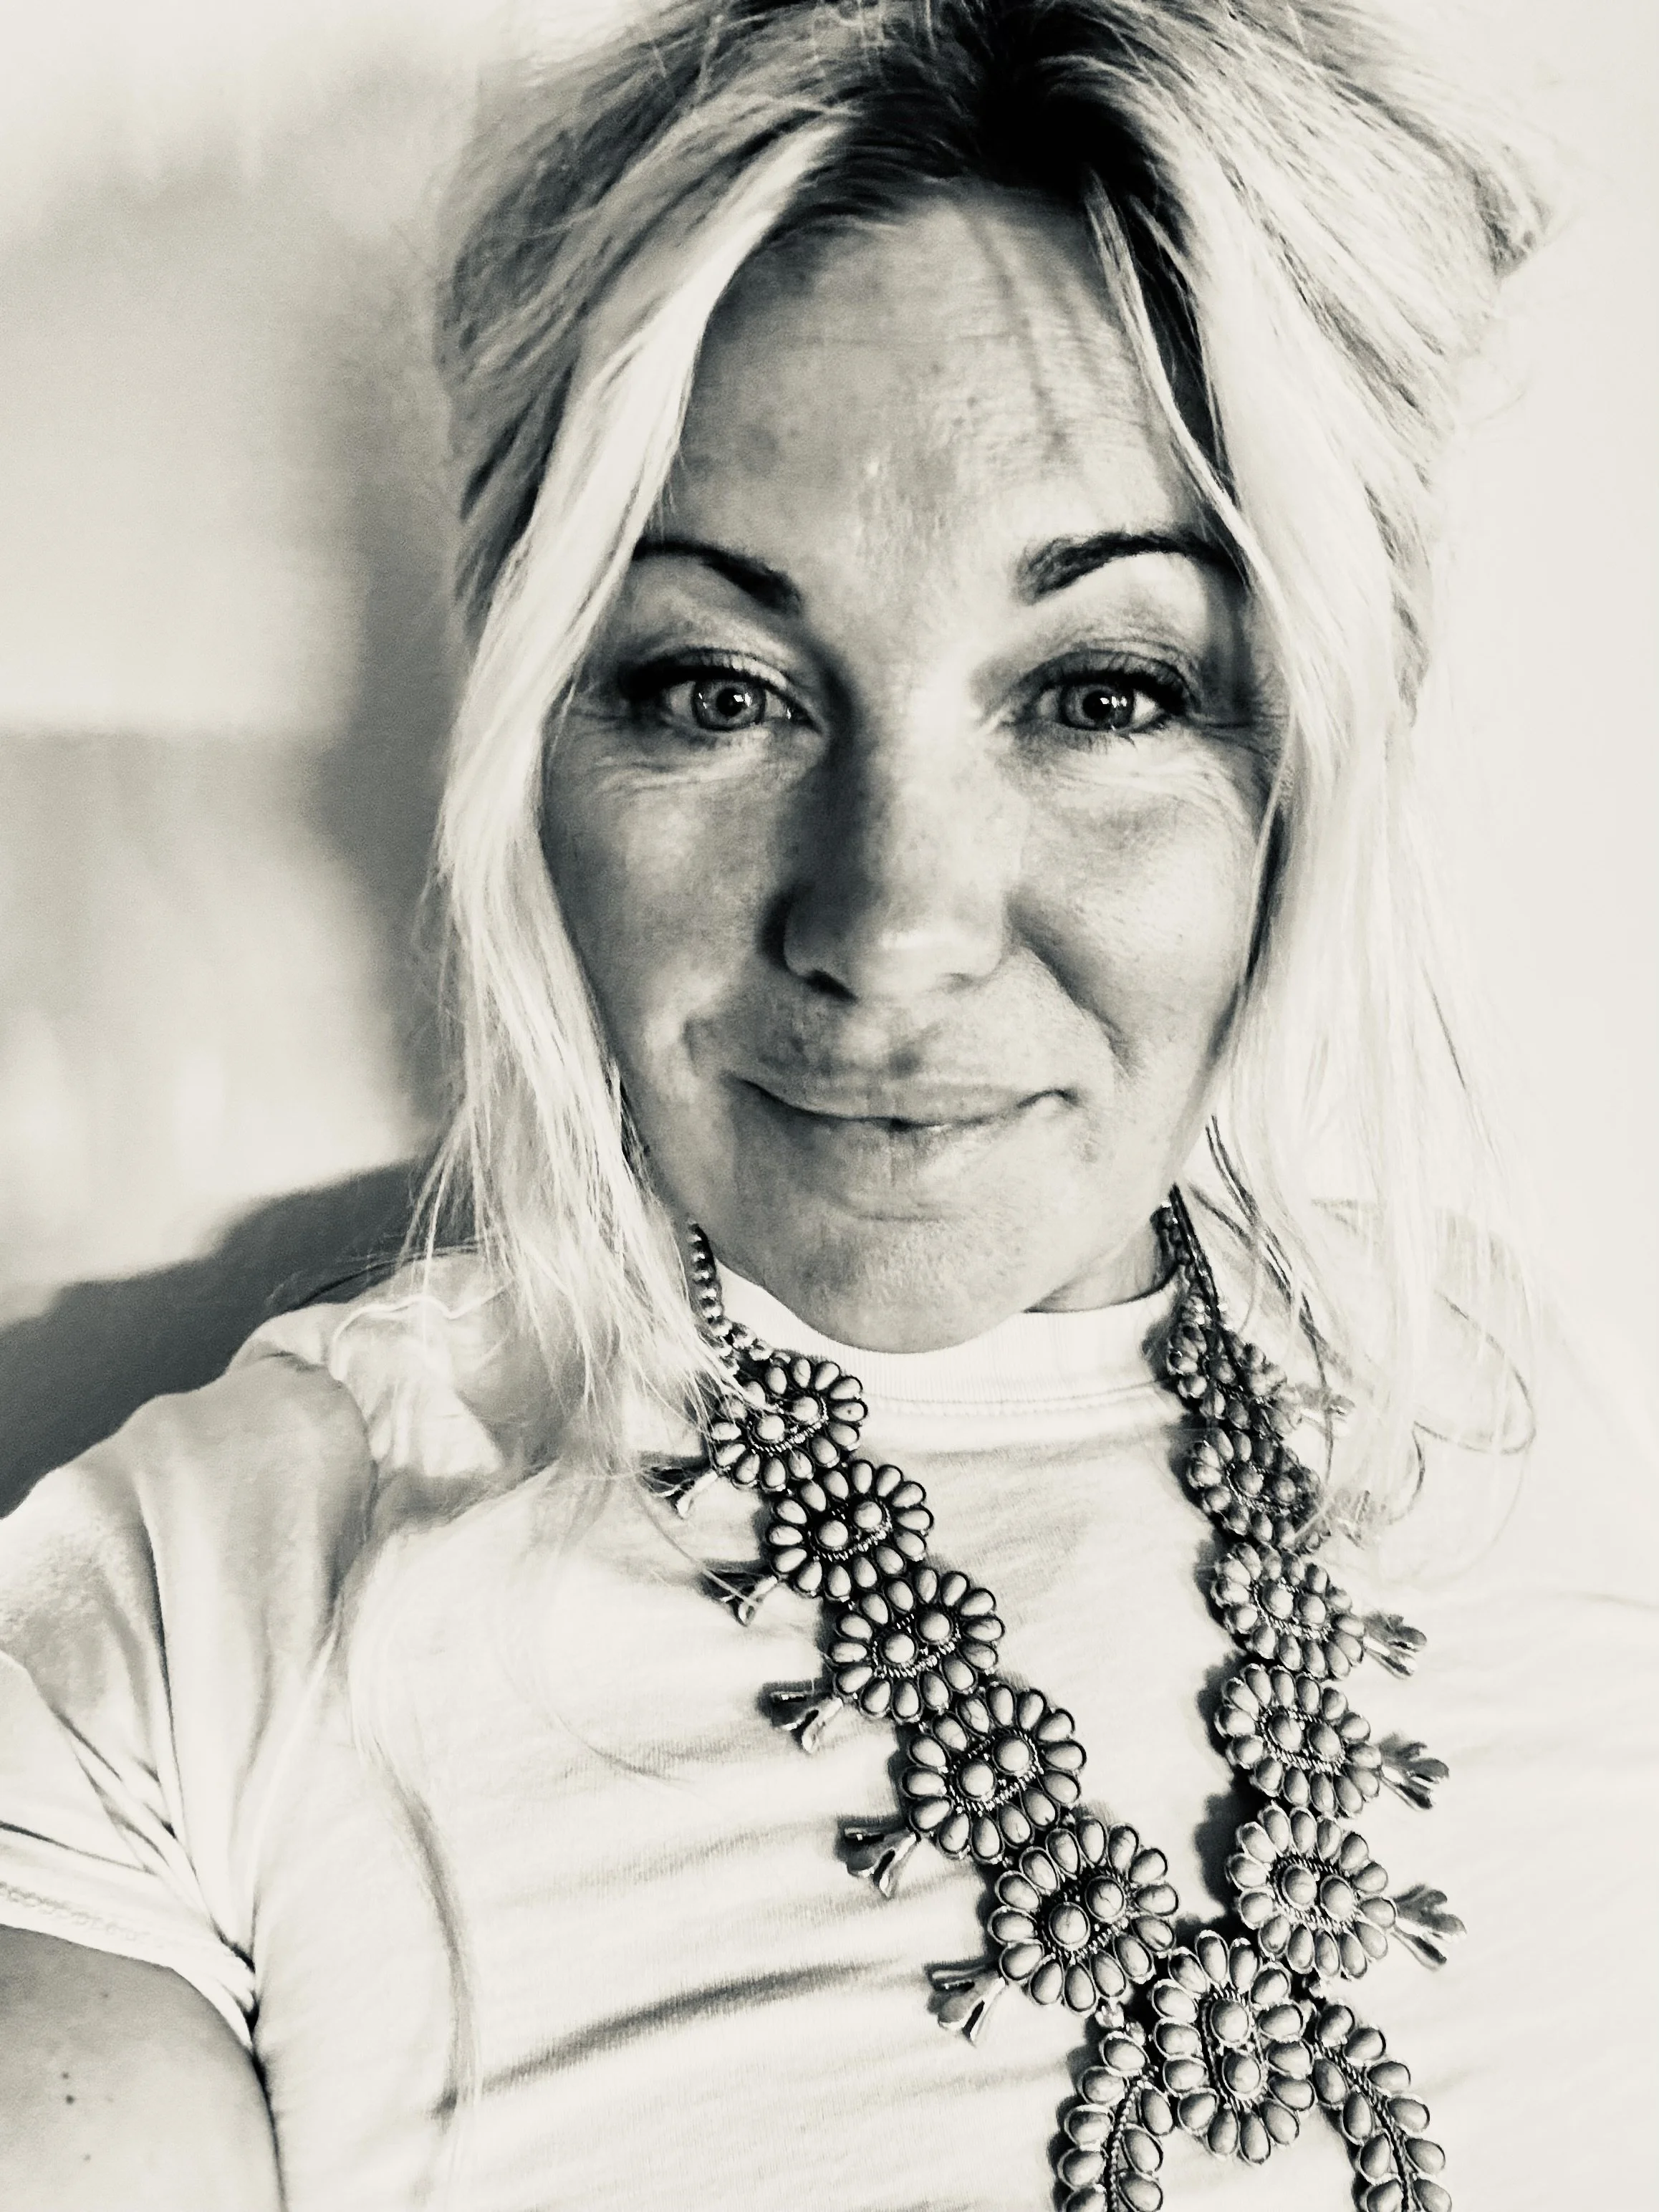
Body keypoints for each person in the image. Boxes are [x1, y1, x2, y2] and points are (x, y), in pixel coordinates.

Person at [1, 1, 1653, 2207]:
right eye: (716, 686)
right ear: (534, 761)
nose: (889, 925)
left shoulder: (1538, 1418)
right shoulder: (197, 1620)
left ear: (1309, 754)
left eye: (1100, 692)